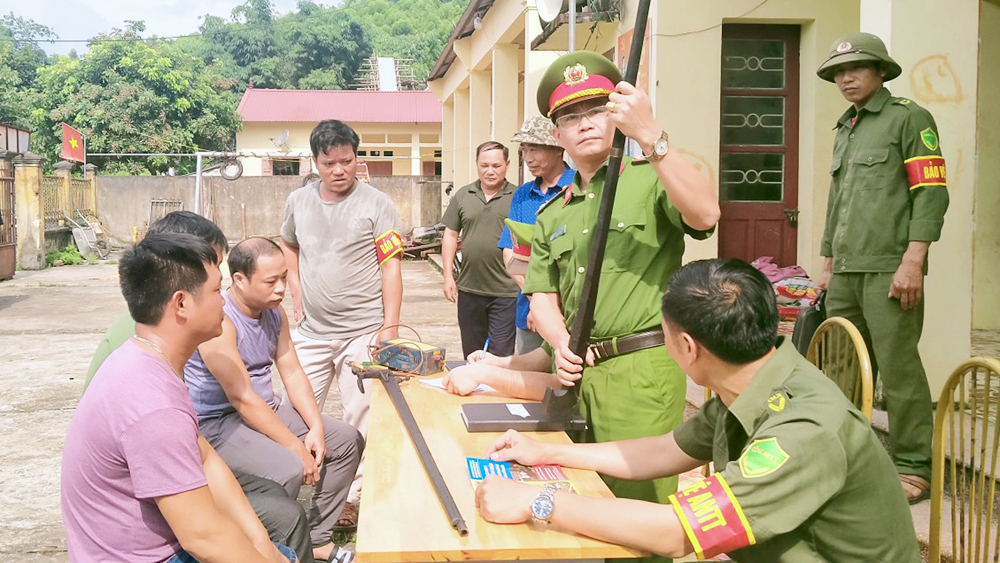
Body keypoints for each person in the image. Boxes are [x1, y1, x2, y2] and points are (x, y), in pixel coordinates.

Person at [475, 258, 921, 562]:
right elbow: (667, 450)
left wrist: (540, 500)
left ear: (687, 347)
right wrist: (551, 454)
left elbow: (676, 533)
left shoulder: (804, 429)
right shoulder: (753, 380)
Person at [522, 51, 719, 524]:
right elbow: (542, 295)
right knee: (571, 500)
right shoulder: (554, 212)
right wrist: (557, 340)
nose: (585, 124)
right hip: (575, 374)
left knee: (636, 509)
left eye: (595, 111)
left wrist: (651, 136)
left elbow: (705, 215)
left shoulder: (652, 180)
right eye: (570, 117)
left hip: (640, 370)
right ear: (557, 133)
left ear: (615, 116)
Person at [80, 211, 314, 562]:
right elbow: (202, 538)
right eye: (216, 290)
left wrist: (265, 548)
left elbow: (206, 459)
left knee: (274, 538)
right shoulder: (152, 402)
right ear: (182, 303)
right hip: (147, 555)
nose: (224, 301)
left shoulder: (150, 360)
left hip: (164, 530)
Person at [814, 32, 949, 503]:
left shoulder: (909, 119)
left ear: (880, 71)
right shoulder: (846, 127)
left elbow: (930, 193)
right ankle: (846, 456)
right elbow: (839, 202)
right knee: (840, 366)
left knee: (898, 369)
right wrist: (827, 262)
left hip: (891, 267)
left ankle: (914, 466)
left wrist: (914, 261)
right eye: (837, 73)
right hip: (846, 269)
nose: (846, 79)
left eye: (856, 69)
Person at [186, 237, 363, 563]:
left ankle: (315, 538)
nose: (281, 288)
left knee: (346, 441)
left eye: (284, 277)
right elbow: (241, 398)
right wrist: (296, 447)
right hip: (219, 422)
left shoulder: (274, 314)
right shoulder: (221, 322)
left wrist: (315, 427)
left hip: (264, 409)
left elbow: (292, 372)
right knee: (288, 467)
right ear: (239, 279)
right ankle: (272, 546)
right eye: (271, 281)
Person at [281, 119, 404, 526]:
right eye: (329, 162)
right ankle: (288, 486)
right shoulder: (298, 202)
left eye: (347, 161)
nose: (339, 170)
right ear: (315, 161)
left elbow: (391, 266)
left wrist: (390, 326)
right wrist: (295, 287)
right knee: (295, 412)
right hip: (312, 332)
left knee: (363, 413)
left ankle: (353, 496)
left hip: (363, 330)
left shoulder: (378, 205)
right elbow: (288, 243)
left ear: (357, 158)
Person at [497, 116, 576, 355]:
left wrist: (552, 306)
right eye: (524, 150)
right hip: (529, 315)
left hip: (572, 311)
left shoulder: (580, 186)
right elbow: (511, 252)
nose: (527, 158)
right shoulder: (522, 195)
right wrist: (537, 300)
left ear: (557, 148)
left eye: (534, 149)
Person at [441, 141, 519, 358]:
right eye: (484, 165)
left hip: (506, 292)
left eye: (496, 165)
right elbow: (450, 235)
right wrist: (448, 277)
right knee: (472, 355)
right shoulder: (464, 195)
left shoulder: (518, 197)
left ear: (507, 165)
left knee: (500, 356)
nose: (490, 171)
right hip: (469, 290)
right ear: (477, 164)